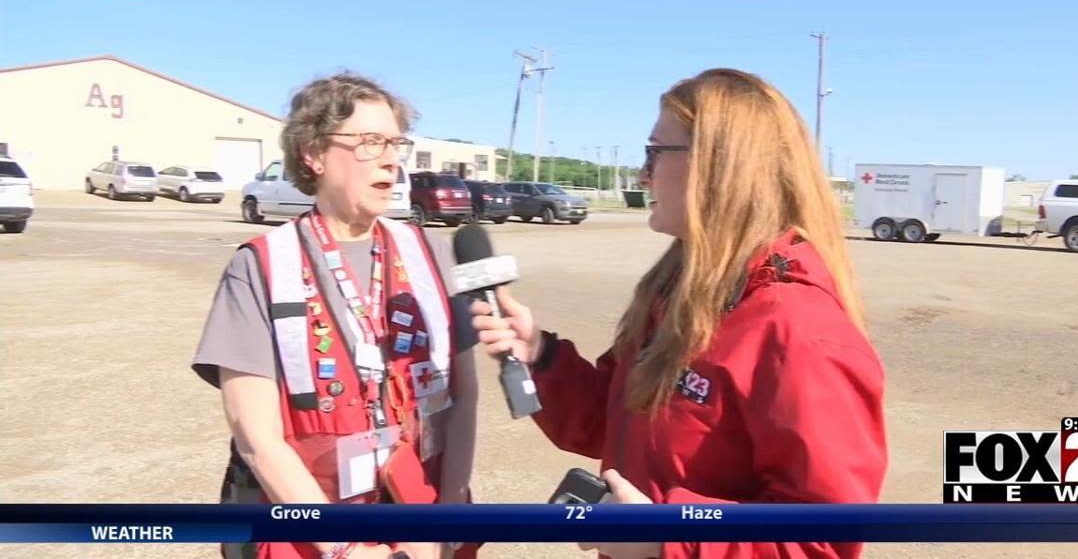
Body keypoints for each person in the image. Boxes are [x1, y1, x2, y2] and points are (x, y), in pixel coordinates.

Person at [471, 68, 888, 559]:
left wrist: (667, 538)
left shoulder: (797, 329)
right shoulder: (681, 291)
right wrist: (540, 355)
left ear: (719, 165)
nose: (643, 174)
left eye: (654, 152)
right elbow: (613, 421)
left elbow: (821, 539)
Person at [193, 73, 478, 559]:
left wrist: (445, 518)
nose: (391, 159)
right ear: (314, 152)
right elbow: (256, 436)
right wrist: (344, 548)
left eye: (395, 143)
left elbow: (465, 397)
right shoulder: (261, 267)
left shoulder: (431, 254)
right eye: (369, 142)